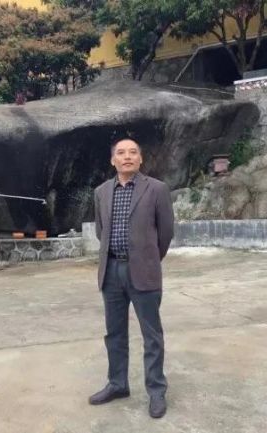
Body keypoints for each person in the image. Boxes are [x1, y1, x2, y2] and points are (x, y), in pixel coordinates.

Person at [88, 138, 174, 419]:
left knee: (152, 335)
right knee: (114, 332)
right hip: (111, 271)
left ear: (141, 159)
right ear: (113, 160)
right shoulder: (101, 192)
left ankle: (156, 391)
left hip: (144, 271)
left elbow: (166, 232)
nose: (127, 157)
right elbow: (101, 231)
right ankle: (117, 384)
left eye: (133, 152)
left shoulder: (156, 189)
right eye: (121, 153)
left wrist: (150, 259)